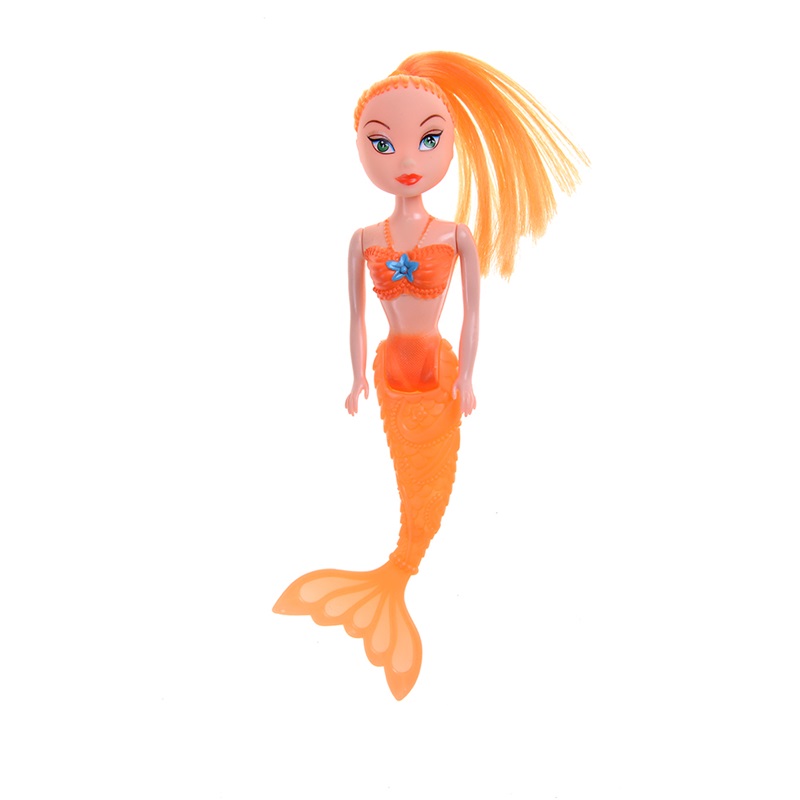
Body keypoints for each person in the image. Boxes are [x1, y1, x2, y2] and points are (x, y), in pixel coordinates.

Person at [274, 52, 588, 700]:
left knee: (431, 480)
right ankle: (392, 576)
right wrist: (355, 378)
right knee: (408, 470)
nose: (405, 160)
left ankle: (400, 570)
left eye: (428, 138)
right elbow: (356, 315)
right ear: (362, 150)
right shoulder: (364, 238)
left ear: (450, 144)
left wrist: (467, 375)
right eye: (382, 143)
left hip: (438, 373)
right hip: (392, 368)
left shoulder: (457, 235)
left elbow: (473, 312)